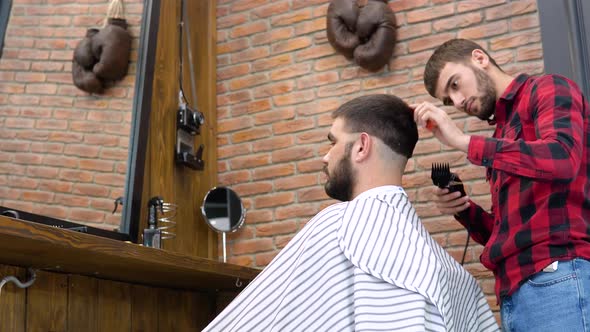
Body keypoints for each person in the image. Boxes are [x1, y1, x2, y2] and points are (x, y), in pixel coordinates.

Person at [204, 94, 499, 332]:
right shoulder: (450, 273)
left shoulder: (337, 224)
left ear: (361, 147)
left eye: (333, 142)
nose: (326, 155)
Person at [413, 38, 590, 332]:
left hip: (558, 276)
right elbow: (506, 233)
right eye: (448, 100)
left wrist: (462, 141)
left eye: (455, 85)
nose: (457, 103)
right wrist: (464, 210)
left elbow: (562, 158)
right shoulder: (502, 132)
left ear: (480, 58)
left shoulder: (548, 89)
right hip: (514, 294)